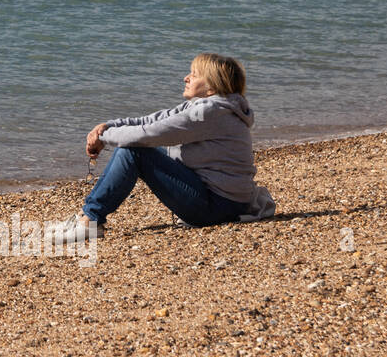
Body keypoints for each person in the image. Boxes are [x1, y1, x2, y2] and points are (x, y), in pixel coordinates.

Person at [47, 53, 273, 243]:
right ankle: (88, 217)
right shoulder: (207, 107)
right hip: (227, 202)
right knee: (136, 147)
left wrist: (105, 138)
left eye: (194, 75)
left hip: (217, 206)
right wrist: (108, 126)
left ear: (212, 86)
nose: (186, 78)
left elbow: (150, 134)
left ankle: (90, 220)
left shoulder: (208, 112)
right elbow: (151, 120)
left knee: (133, 150)